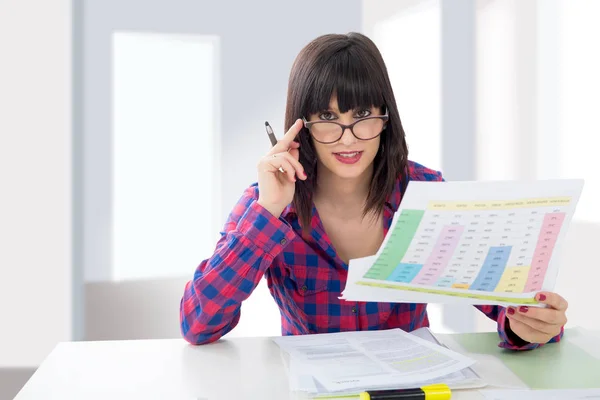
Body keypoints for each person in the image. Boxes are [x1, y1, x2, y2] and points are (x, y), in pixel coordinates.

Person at [179, 32, 568, 348]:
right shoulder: (266, 203)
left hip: (412, 387)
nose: (348, 139)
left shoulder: (424, 192)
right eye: (328, 118)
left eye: (363, 115)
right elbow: (198, 324)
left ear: (386, 118)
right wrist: (267, 211)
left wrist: (529, 324)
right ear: (301, 126)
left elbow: (503, 301)